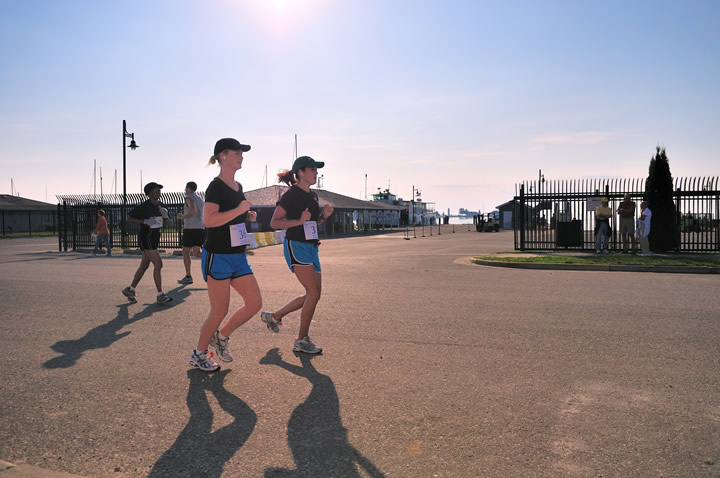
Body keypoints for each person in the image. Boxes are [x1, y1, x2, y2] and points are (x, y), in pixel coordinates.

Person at [189, 138, 262, 372]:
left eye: (242, 153)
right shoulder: (215, 187)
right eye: (237, 152)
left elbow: (231, 216)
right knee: (219, 310)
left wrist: (245, 216)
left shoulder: (238, 186)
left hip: (238, 256)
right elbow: (208, 220)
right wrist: (239, 210)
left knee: (254, 304)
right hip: (218, 256)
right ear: (223, 156)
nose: (241, 156)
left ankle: (221, 336)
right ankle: (199, 354)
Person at [260, 156, 334, 354]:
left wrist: (323, 217)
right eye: (313, 169)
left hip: (311, 247)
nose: (316, 173)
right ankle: (301, 340)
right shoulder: (291, 195)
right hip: (296, 246)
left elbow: (311, 222)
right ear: (300, 172)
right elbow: (275, 223)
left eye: (317, 170)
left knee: (314, 294)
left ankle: (274, 316)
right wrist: (299, 221)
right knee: (314, 293)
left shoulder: (313, 196)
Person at [121, 182, 174, 305]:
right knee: (158, 264)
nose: (159, 192)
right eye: (156, 190)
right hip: (146, 237)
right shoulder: (144, 206)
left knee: (144, 266)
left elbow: (170, 224)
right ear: (149, 193)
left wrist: (166, 217)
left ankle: (130, 289)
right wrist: (144, 221)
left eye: (159, 190)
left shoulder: (161, 205)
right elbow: (129, 218)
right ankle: (160, 295)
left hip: (155, 237)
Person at [177, 181, 206, 284]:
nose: (185, 190)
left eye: (186, 188)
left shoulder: (189, 198)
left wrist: (182, 216)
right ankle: (214, 259)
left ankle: (188, 276)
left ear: (189, 189)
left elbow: (192, 210)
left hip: (190, 228)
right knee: (197, 253)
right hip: (200, 228)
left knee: (185, 252)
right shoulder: (200, 199)